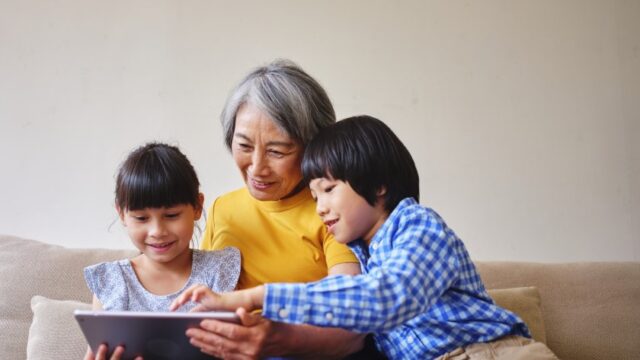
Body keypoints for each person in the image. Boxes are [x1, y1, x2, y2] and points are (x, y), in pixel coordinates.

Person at [171, 116, 559, 360]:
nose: (319, 207)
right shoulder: (366, 252)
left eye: (328, 189)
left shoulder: (419, 228)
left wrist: (253, 297)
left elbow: (382, 299)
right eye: (314, 194)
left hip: (489, 353)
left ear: (379, 187)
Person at [192, 59, 373, 358]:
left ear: (313, 148)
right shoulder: (223, 208)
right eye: (245, 146)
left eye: (277, 151)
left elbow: (352, 325)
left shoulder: (335, 212)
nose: (257, 167)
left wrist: (279, 340)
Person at [83, 142, 241, 360]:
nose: (157, 231)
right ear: (121, 214)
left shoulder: (220, 270)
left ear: (197, 206)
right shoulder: (111, 282)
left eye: (172, 215)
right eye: (141, 218)